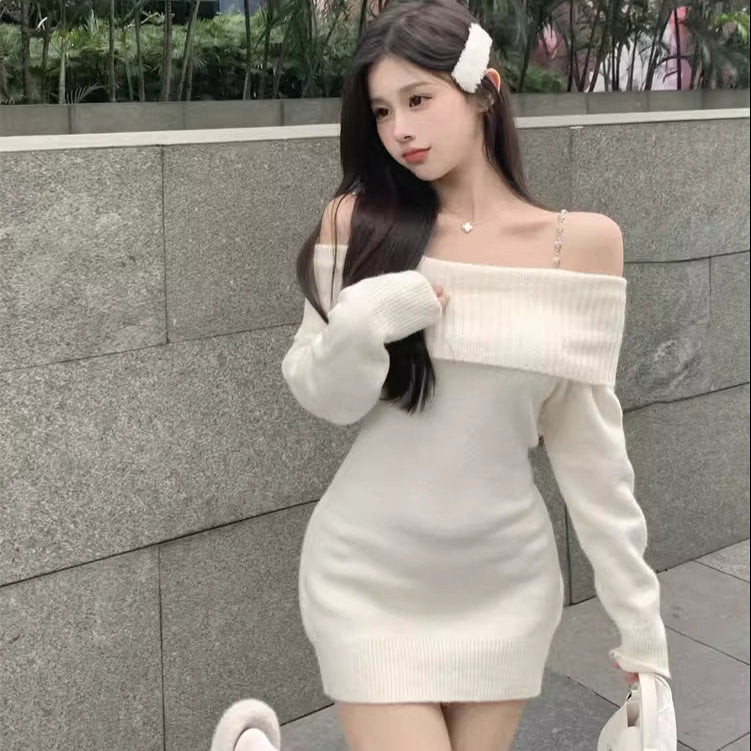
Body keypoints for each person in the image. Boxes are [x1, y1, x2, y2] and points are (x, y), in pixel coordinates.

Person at [211, 0, 672, 749]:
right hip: (368, 574)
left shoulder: (582, 245)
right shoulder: (357, 224)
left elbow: (593, 456)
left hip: (504, 585)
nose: (399, 129)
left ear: (485, 90)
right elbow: (325, 397)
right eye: (382, 111)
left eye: (418, 99)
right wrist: (365, 317)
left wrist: (642, 630)